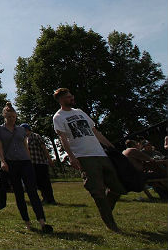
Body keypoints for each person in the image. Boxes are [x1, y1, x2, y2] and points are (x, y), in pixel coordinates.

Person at [53, 88, 126, 232]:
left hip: (100, 153)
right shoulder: (58, 117)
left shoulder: (80, 112)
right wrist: (72, 157)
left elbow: (95, 132)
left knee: (117, 186)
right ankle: (110, 223)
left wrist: (111, 147)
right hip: (84, 156)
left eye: (71, 95)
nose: (71, 98)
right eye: (68, 97)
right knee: (97, 190)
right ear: (61, 100)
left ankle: (106, 210)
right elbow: (63, 138)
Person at [0, 102, 53, 233]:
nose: (11, 119)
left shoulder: (21, 129)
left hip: (25, 162)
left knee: (33, 191)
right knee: (19, 193)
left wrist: (30, 160)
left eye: (14, 117)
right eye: (9, 117)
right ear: (4, 116)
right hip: (11, 163)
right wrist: (2, 161)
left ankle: (42, 221)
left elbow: (25, 146)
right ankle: (27, 221)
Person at [20, 123, 57, 204]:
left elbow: (44, 148)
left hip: (40, 162)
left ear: (26, 129)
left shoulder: (36, 136)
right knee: (38, 183)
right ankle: (45, 198)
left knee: (45, 182)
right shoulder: (24, 139)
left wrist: (49, 159)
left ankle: (50, 199)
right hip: (31, 164)